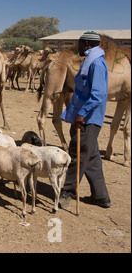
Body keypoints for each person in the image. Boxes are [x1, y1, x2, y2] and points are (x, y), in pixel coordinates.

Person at [59, 31, 111, 209]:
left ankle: (68, 192)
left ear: (87, 44)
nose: (78, 47)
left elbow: (98, 94)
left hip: (87, 119)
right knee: (92, 156)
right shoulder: (90, 61)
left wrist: (82, 113)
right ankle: (101, 196)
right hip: (83, 116)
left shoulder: (96, 63)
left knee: (78, 154)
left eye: (79, 43)